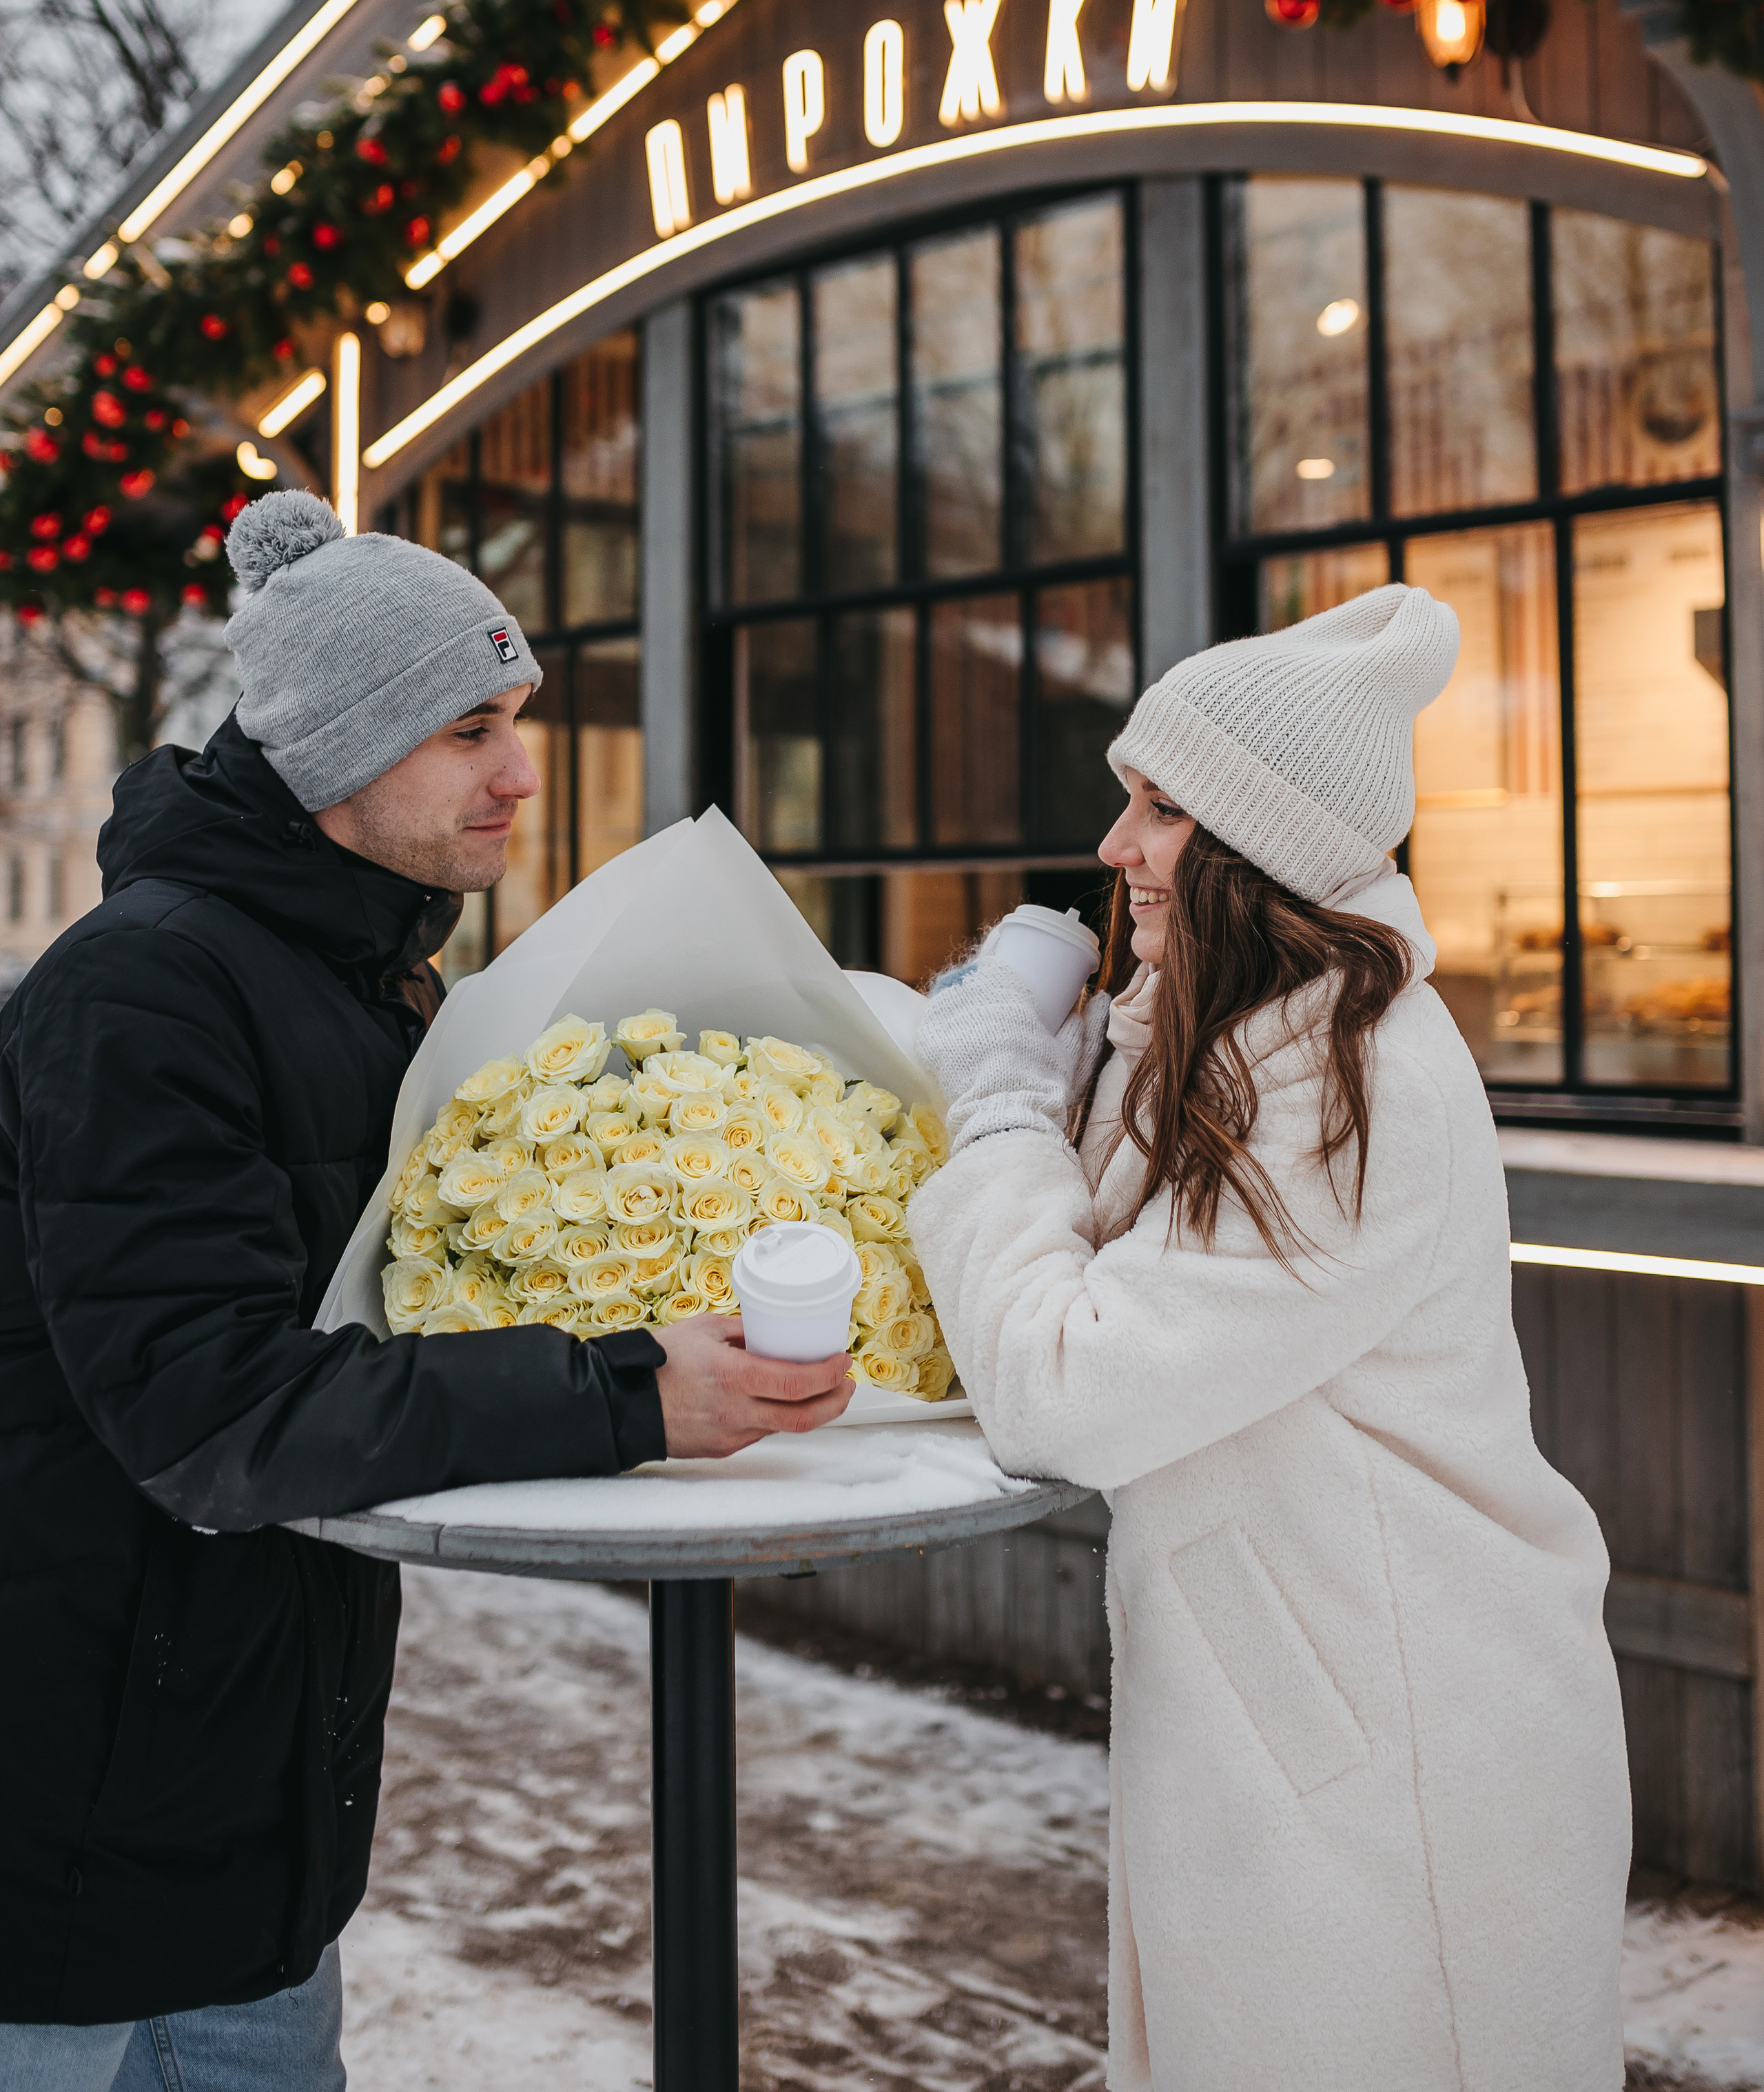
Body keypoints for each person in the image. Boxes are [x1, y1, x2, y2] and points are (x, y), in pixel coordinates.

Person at [0, 492, 850, 2089]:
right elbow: (212, 1414)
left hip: (254, 1835)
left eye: (516, 720)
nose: (522, 773)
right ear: (330, 747)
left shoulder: (374, 991)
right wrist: (624, 1391)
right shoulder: (141, 993)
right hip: (61, 1850)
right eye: (471, 730)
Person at [912, 584, 1629, 2092]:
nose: (1114, 850)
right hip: (1306, 1709)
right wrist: (1069, 1055)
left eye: (1159, 812)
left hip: (1398, 1738)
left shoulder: (1349, 1083)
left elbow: (1064, 1383)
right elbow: (1101, 1250)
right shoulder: (1248, 1033)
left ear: (1257, 846)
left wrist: (988, 1103)